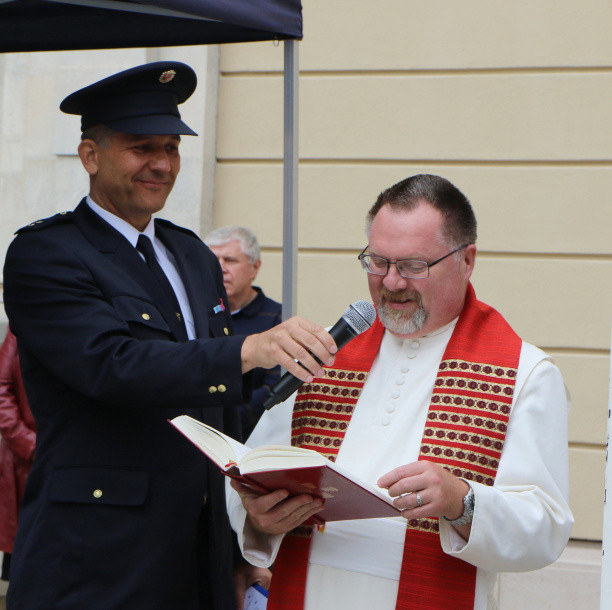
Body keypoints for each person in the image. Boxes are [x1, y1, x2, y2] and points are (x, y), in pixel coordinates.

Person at [2, 61, 337, 610]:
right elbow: (112, 365)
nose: (161, 164)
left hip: (198, 550)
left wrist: (239, 547)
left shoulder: (190, 254)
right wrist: (247, 349)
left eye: (172, 148)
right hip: (96, 553)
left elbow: (219, 412)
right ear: (90, 155)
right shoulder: (47, 254)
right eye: (142, 148)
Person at [227, 174, 574, 610]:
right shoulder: (329, 350)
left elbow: (545, 527)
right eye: (378, 262)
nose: (391, 282)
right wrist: (259, 517)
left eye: (413, 266)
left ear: (467, 260)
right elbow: (256, 468)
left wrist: (462, 501)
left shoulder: (526, 372)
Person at [205, 226, 282, 439]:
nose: (221, 268)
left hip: (253, 439)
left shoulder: (278, 318)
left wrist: (218, 421)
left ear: (254, 268)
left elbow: (276, 387)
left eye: (230, 260)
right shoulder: (198, 314)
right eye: (214, 261)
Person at [0, 328, 36, 582]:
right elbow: (2, 391)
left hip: (71, 454)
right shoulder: (19, 331)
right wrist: (30, 444)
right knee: (23, 565)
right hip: (25, 461)